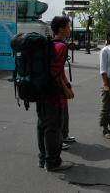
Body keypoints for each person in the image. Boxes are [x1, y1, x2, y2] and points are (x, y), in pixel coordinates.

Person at [36, 16, 74, 172]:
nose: (70, 29)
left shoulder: (48, 44)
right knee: (53, 127)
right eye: (68, 26)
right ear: (61, 29)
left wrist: (66, 85)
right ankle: (52, 162)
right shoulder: (61, 46)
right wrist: (65, 89)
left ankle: (43, 159)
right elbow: (55, 71)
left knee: (42, 125)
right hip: (52, 93)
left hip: (40, 90)